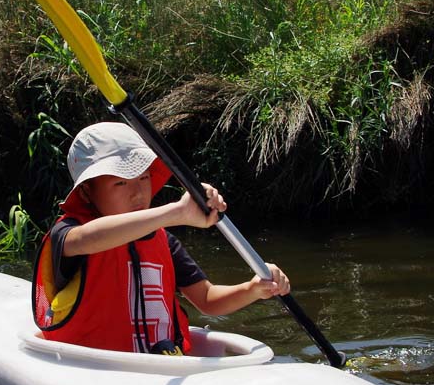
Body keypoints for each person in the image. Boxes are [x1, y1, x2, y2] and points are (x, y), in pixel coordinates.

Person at [32, 122, 291, 354]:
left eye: (144, 177)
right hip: (91, 366)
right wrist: (176, 212)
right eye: (120, 183)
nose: (138, 193)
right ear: (87, 192)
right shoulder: (67, 233)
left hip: (158, 365)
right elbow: (89, 239)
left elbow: (208, 299)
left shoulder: (163, 241)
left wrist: (254, 289)